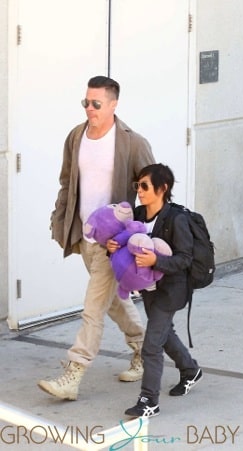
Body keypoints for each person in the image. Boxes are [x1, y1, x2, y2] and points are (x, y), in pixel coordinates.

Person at [39, 76, 155, 401]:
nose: (89, 109)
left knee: (93, 307)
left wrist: (133, 235)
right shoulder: (76, 136)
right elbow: (67, 181)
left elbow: (151, 194)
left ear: (114, 104)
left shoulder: (132, 143)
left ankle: (73, 374)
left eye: (96, 104)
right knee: (115, 302)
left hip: (113, 243)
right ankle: (146, 350)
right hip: (85, 239)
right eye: (85, 103)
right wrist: (60, 218)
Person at [118, 163, 202, 418]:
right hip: (149, 289)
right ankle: (190, 370)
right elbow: (126, 245)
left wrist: (157, 262)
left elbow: (185, 259)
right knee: (164, 335)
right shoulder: (138, 214)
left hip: (172, 290)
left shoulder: (177, 219)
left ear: (162, 189)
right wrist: (112, 247)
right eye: (138, 186)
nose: (140, 191)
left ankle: (149, 401)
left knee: (151, 344)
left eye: (145, 186)